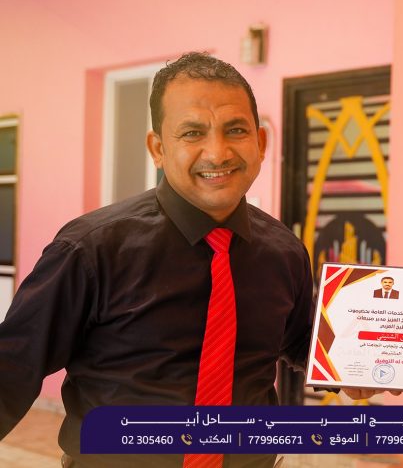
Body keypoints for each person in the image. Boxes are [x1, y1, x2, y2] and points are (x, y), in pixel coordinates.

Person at [0, 52, 313, 467]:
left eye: (235, 130)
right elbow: (11, 371)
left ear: (260, 143)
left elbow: (301, 341)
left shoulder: (285, 252)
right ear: (158, 148)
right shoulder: (91, 250)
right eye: (192, 132)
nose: (217, 152)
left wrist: (359, 366)